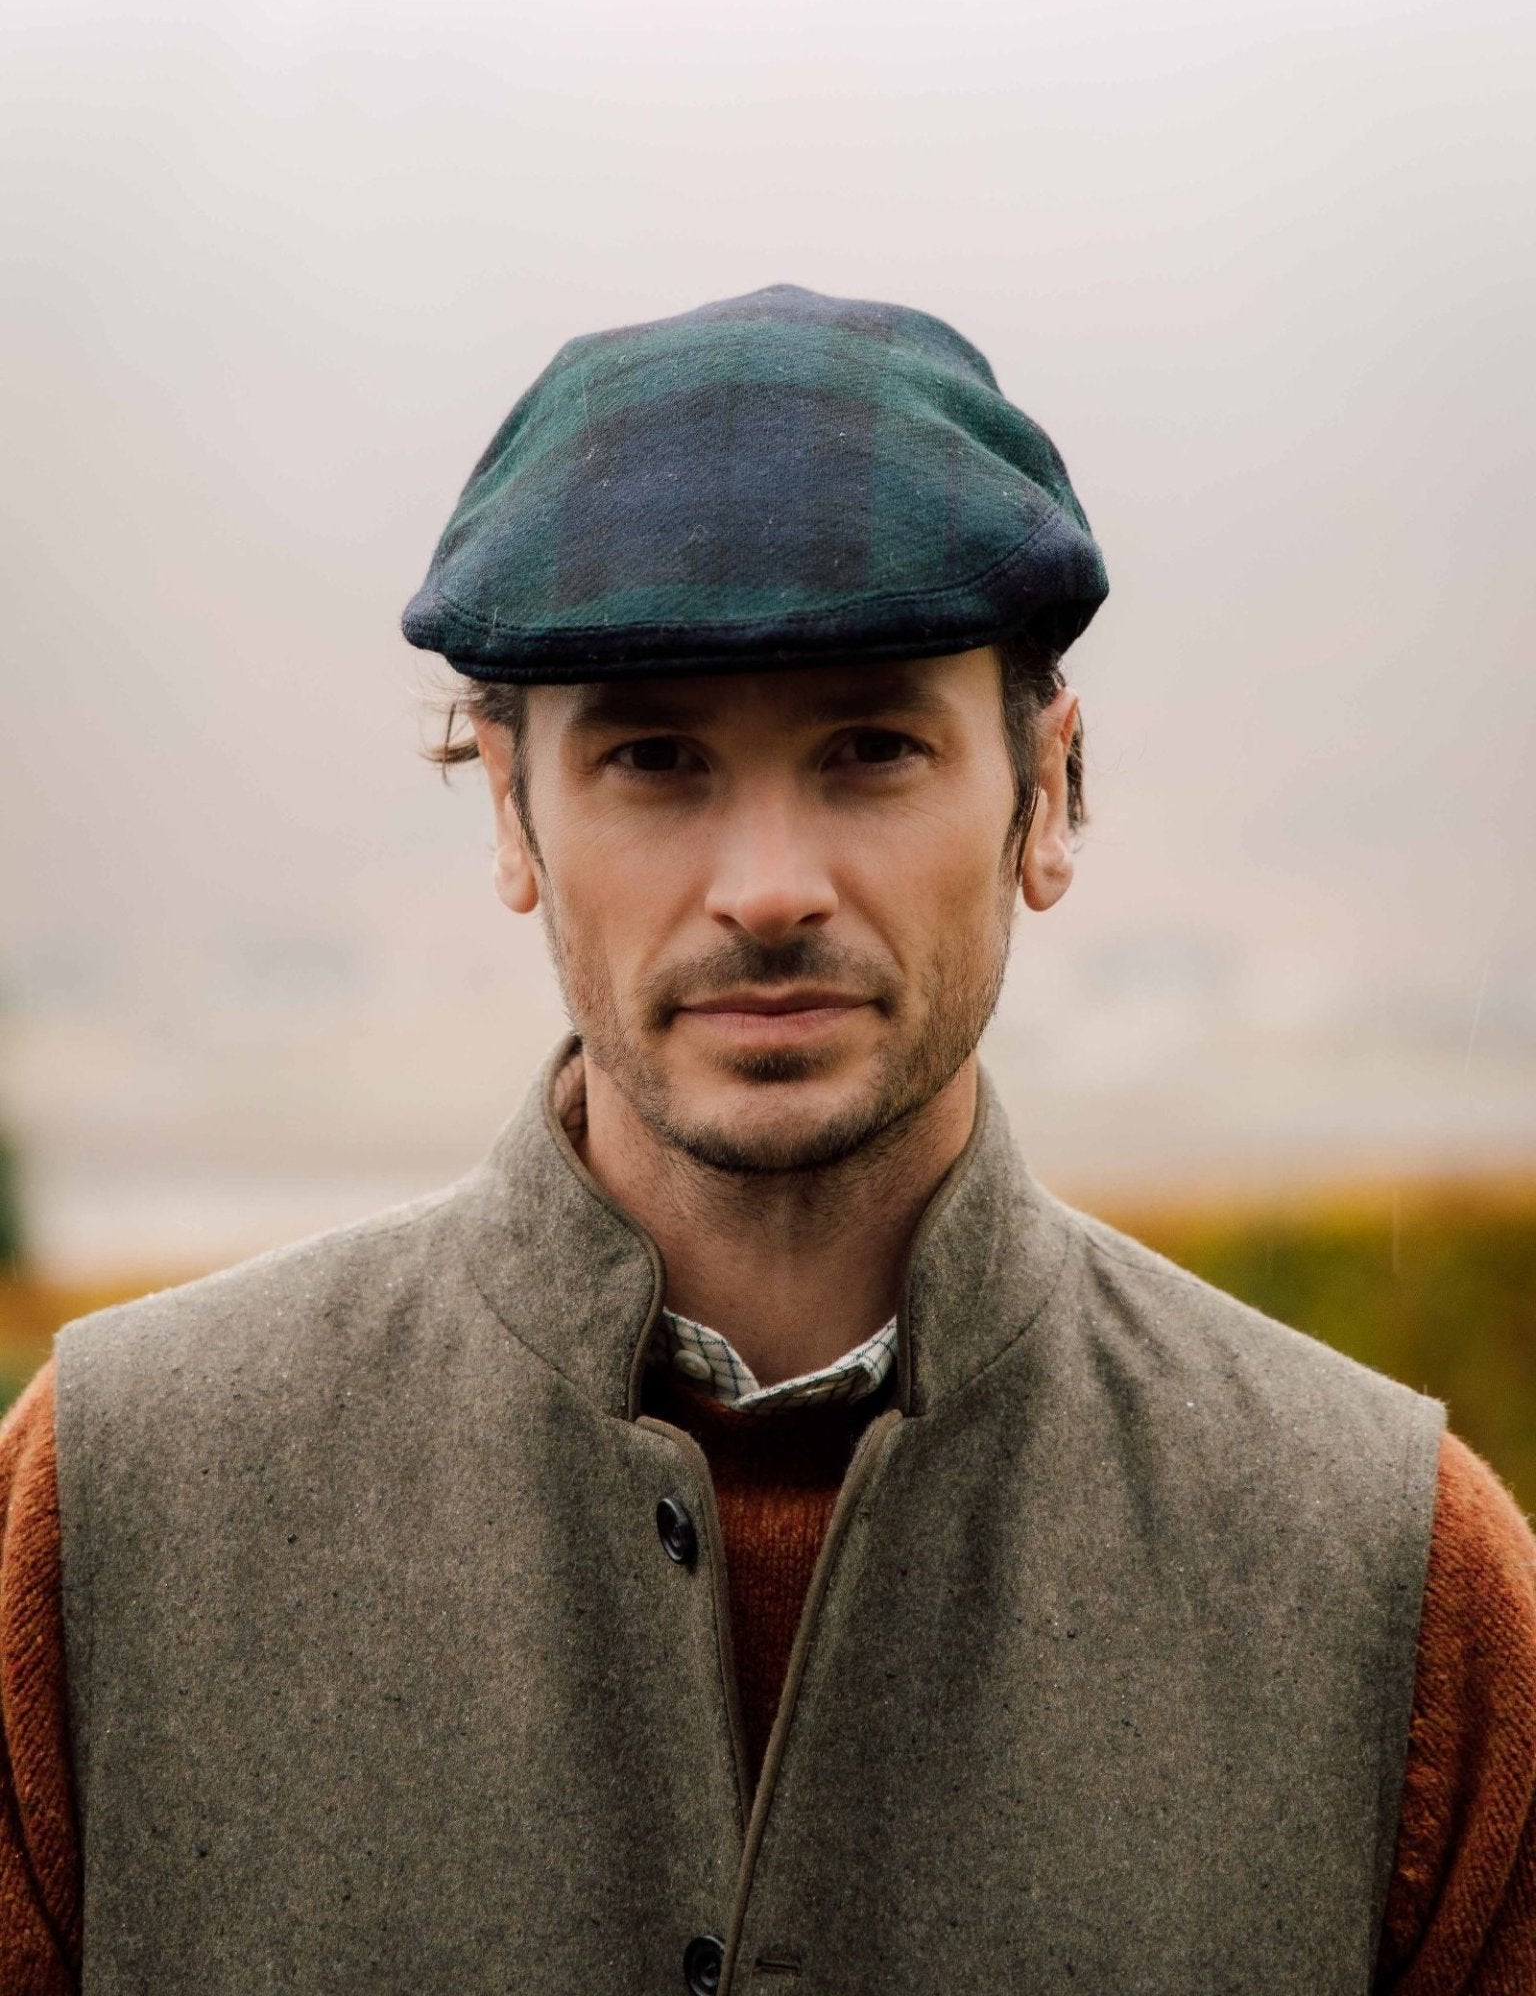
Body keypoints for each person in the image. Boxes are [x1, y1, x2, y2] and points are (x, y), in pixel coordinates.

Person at [1, 284, 1532, 1995]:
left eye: (871, 749)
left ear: (1045, 791)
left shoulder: (1400, 1581)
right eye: (655, 760)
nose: (768, 887)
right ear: (510, 810)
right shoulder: (106, 1515)